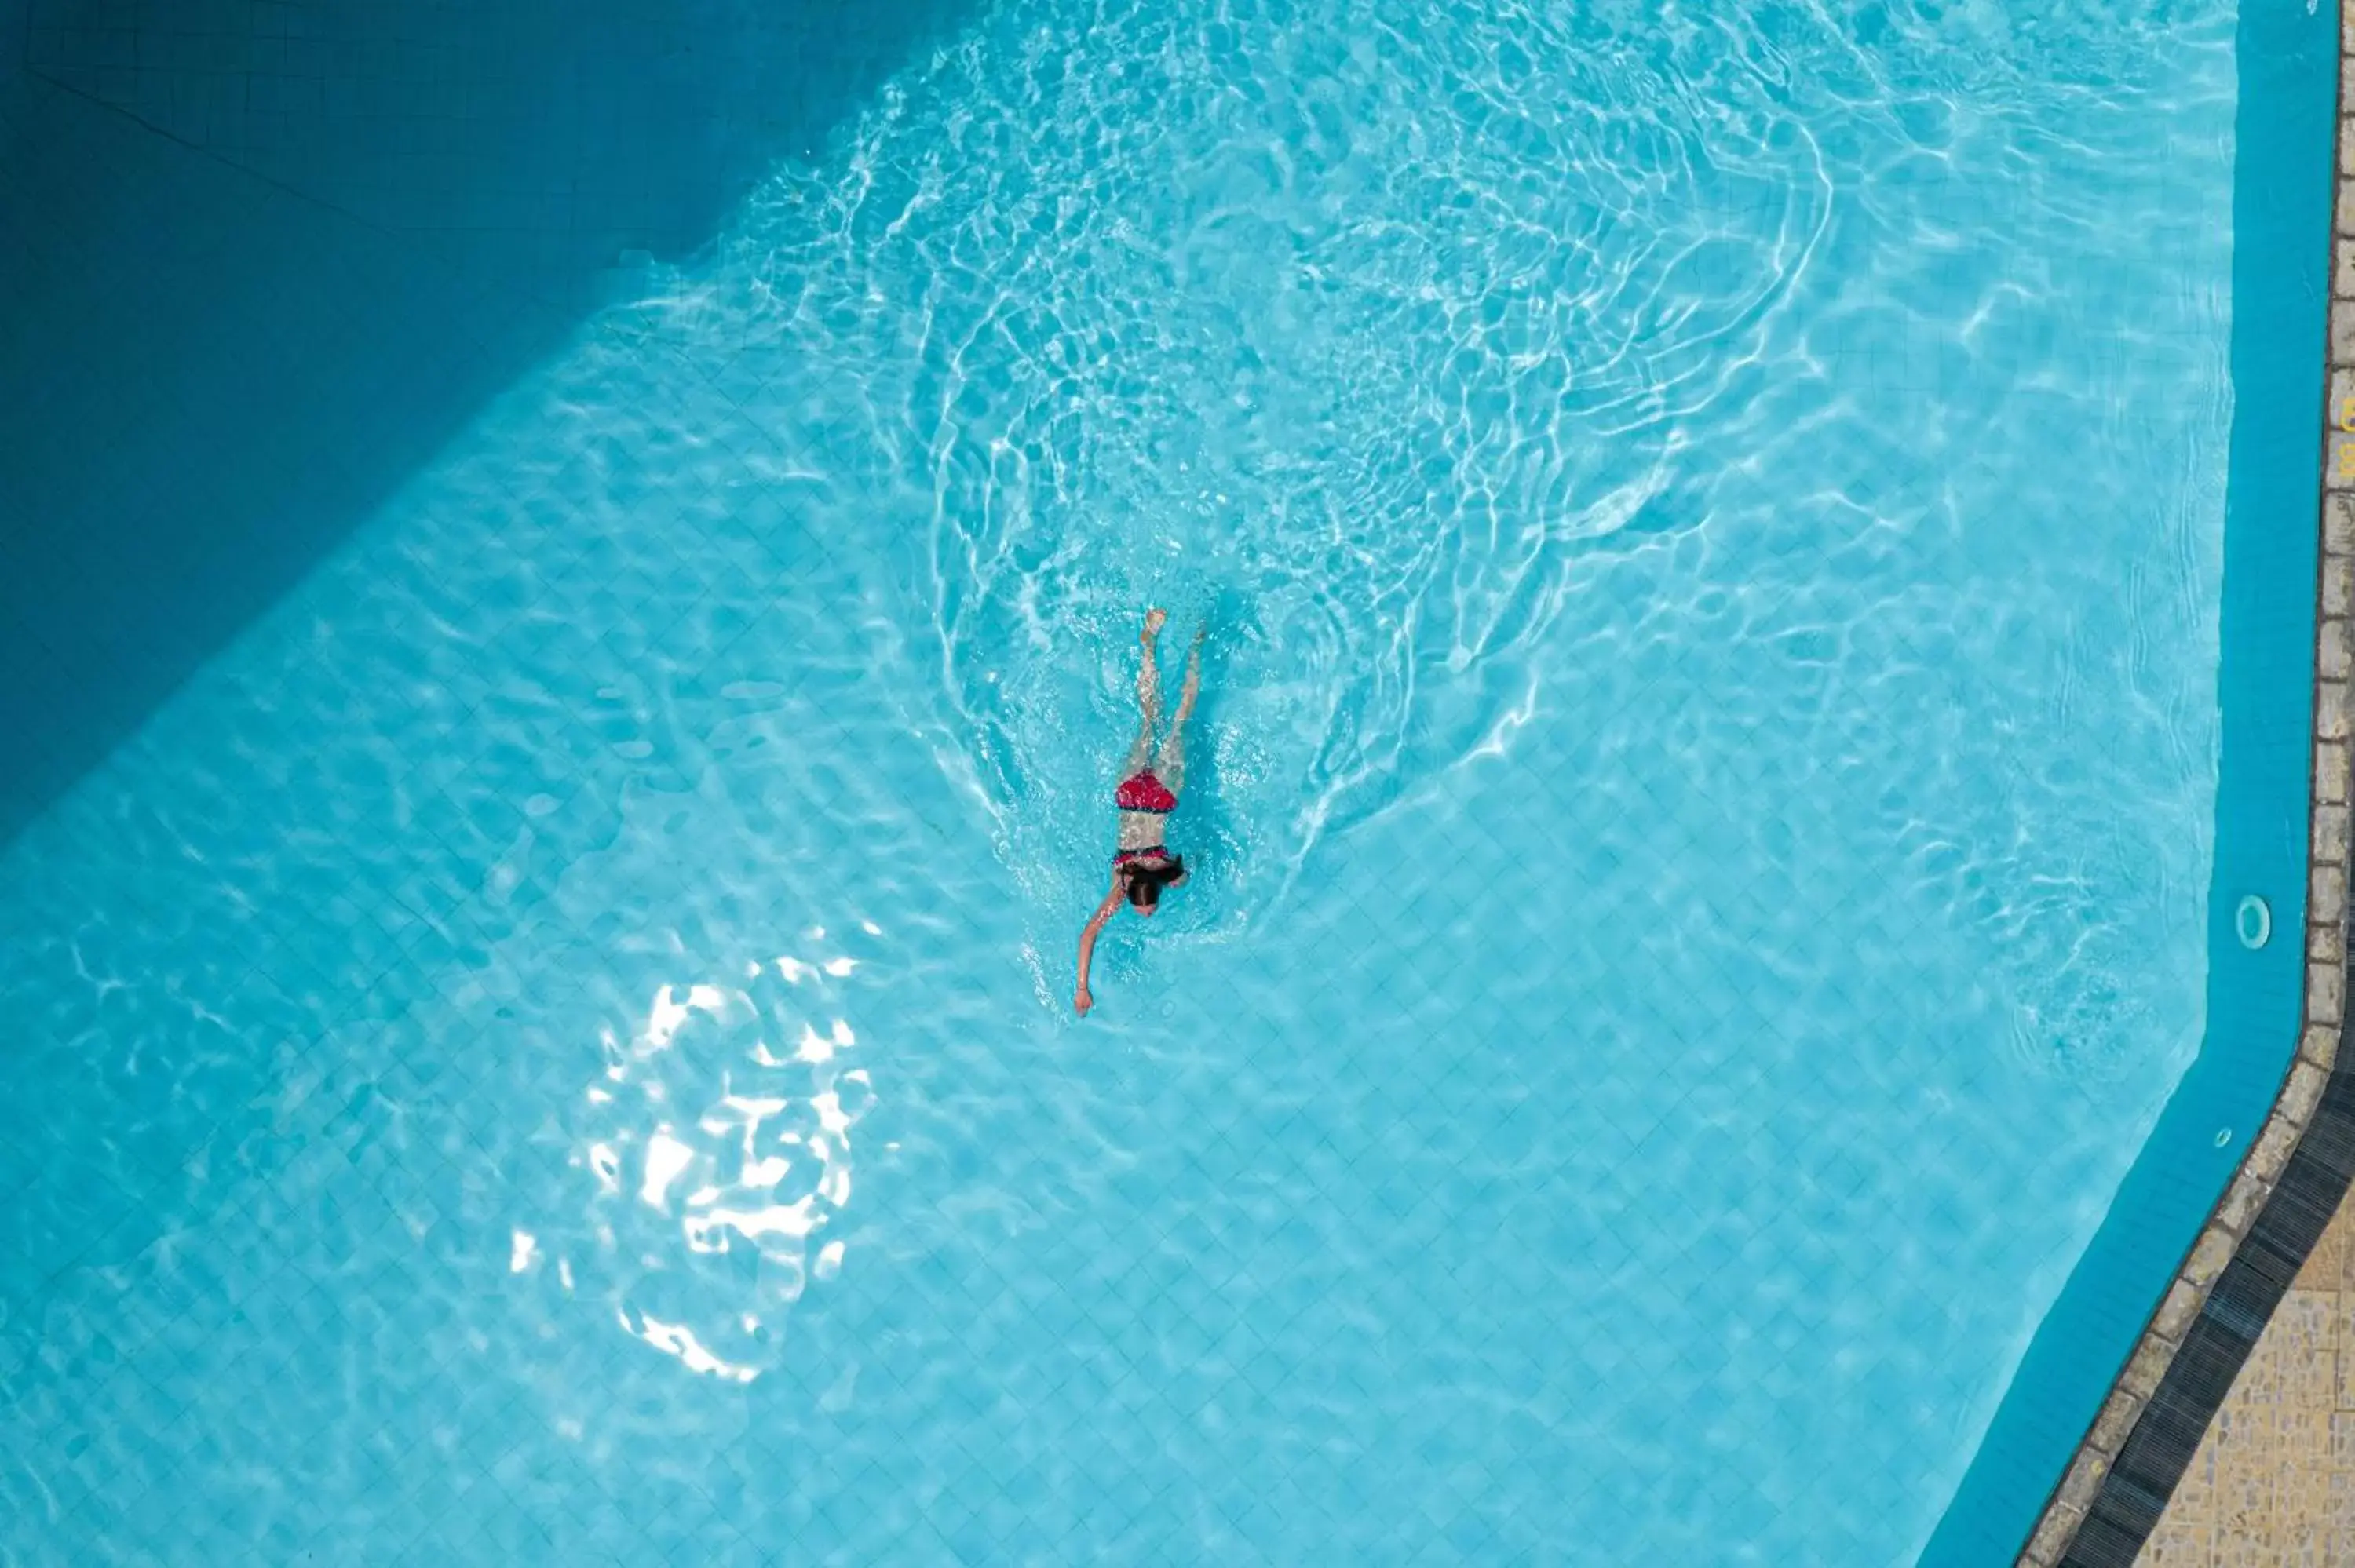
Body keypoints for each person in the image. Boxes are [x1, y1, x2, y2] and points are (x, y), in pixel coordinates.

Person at [1074, 607, 1203, 1017]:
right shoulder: (1123, 881)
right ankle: (1151, 642)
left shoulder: (1164, 869)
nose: (1145, 913)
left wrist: (1178, 877)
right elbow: (1087, 935)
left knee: (1180, 718)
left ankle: (1192, 642)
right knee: (1151, 720)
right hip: (1129, 795)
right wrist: (1080, 987)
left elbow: (1187, 872)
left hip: (1161, 797)